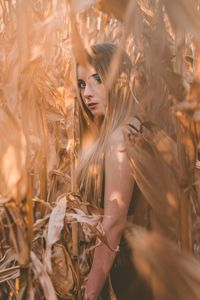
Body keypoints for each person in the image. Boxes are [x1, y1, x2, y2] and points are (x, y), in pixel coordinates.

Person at [76, 43, 152, 300]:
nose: (87, 93)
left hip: (128, 278)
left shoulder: (120, 136)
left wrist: (90, 292)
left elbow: (114, 222)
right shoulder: (138, 126)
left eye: (97, 80)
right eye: (82, 84)